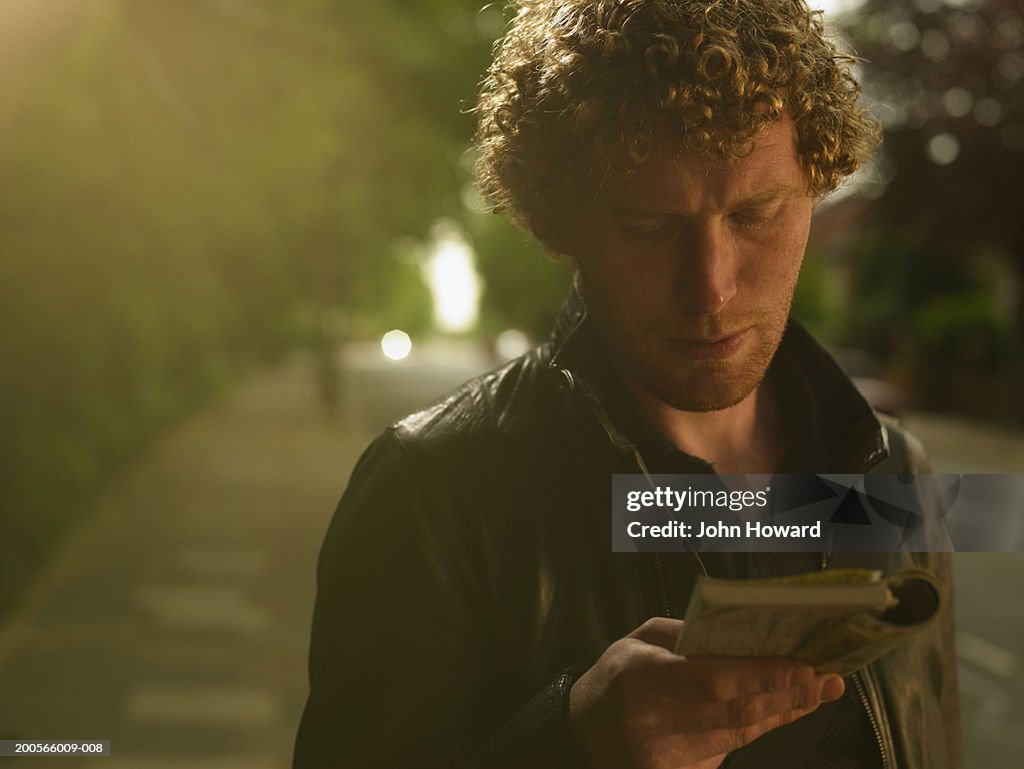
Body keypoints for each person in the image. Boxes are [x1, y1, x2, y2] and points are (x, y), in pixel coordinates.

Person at [293, 1, 960, 767]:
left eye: (756, 213)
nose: (709, 287)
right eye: (649, 226)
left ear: (820, 181)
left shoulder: (896, 471)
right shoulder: (429, 493)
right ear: (557, 222)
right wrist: (570, 740)